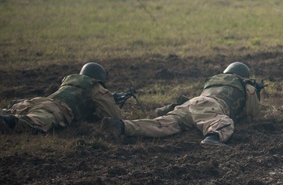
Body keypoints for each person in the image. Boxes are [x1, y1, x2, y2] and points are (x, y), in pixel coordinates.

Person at [103, 61, 261, 147]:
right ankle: (213, 138)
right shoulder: (245, 85)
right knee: (224, 122)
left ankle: (121, 125)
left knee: (162, 124)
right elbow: (252, 113)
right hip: (211, 105)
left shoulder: (215, 79)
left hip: (191, 103)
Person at [1, 62, 124, 133]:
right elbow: (115, 117)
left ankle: (6, 117)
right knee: (31, 124)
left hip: (37, 102)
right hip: (54, 110)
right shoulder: (95, 87)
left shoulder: (70, 81)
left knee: (12, 113)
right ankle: (7, 121)